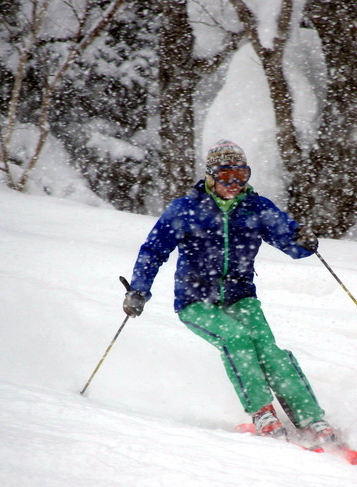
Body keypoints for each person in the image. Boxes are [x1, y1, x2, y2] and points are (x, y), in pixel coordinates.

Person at [123, 140, 335, 443]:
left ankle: (311, 419)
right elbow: (154, 250)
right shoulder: (186, 209)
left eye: (241, 175)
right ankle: (262, 412)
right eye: (226, 176)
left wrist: (303, 241)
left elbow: (290, 240)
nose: (234, 183)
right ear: (211, 175)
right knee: (236, 339)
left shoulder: (256, 208)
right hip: (195, 301)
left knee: (269, 350)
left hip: (241, 297)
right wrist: (138, 290)